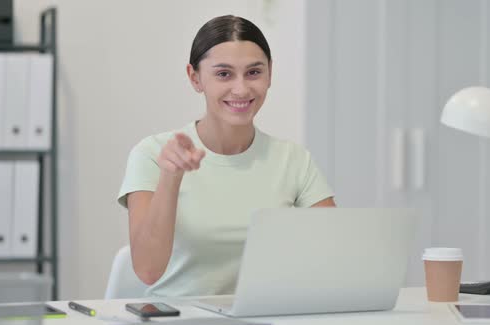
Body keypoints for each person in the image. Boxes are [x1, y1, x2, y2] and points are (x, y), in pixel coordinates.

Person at [117, 15, 335, 297]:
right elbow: (147, 270)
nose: (241, 89)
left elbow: (332, 257)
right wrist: (170, 178)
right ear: (195, 78)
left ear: (270, 73)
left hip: (266, 318)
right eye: (224, 74)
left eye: (254, 72)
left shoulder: (294, 160)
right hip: (175, 322)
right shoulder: (151, 155)